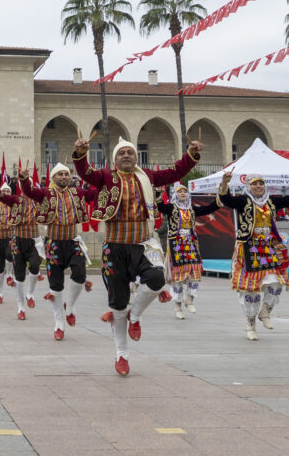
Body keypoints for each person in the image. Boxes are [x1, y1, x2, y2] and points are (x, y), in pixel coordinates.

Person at [73, 137, 200, 376]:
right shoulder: (106, 177)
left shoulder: (148, 176)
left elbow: (175, 172)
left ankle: (136, 315)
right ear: (115, 159)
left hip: (143, 245)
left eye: (130, 152)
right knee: (118, 305)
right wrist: (80, 154)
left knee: (157, 279)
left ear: (136, 157)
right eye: (121, 153)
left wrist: (191, 155)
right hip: (114, 247)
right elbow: (85, 172)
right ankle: (121, 354)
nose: (126, 156)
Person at [217, 170, 289, 341]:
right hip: (248, 247)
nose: (258, 186)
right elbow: (226, 200)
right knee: (251, 289)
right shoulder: (243, 201)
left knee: (276, 283)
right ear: (248, 186)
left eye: (261, 183)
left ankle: (265, 311)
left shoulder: (271, 201)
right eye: (254, 183)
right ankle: (250, 325)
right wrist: (225, 183)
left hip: (268, 247)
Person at [18, 163, 97, 342]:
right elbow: (29, 191)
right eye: (60, 174)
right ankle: (59, 323)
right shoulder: (46, 193)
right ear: (53, 178)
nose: (64, 177)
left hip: (73, 242)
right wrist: (24, 179)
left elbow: (95, 194)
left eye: (66, 174)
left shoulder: (78, 192)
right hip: (53, 244)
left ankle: (70, 306)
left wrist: (106, 180)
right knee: (55, 284)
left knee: (80, 274)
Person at [157, 184, 220, 320]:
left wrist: (221, 196)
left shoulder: (191, 208)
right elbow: (160, 207)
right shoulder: (171, 208)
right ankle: (178, 307)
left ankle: (190, 299)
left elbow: (208, 209)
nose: (183, 193)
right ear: (175, 194)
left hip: (190, 244)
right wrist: (159, 194)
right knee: (178, 277)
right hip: (176, 245)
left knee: (195, 273)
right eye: (180, 191)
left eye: (185, 191)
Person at [0, 174, 44, 316]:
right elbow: (0, 196)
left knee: (35, 266)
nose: (26, 186)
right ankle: (21, 307)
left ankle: (30, 294)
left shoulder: (38, 200)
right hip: (18, 241)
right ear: (20, 186)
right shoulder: (15, 200)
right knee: (19, 276)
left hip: (33, 241)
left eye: (28, 183)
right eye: (24, 184)